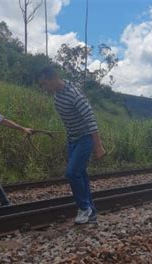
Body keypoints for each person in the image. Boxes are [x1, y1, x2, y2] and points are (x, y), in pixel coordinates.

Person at [37, 66, 106, 224]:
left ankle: (83, 208)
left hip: (85, 139)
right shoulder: (57, 95)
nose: (44, 87)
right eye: (42, 85)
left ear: (54, 78)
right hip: (72, 140)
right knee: (80, 175)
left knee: (71, 173)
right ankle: (92, 212)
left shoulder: (75, 95)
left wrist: (98, 146)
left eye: (45, 84)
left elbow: (91, 120)